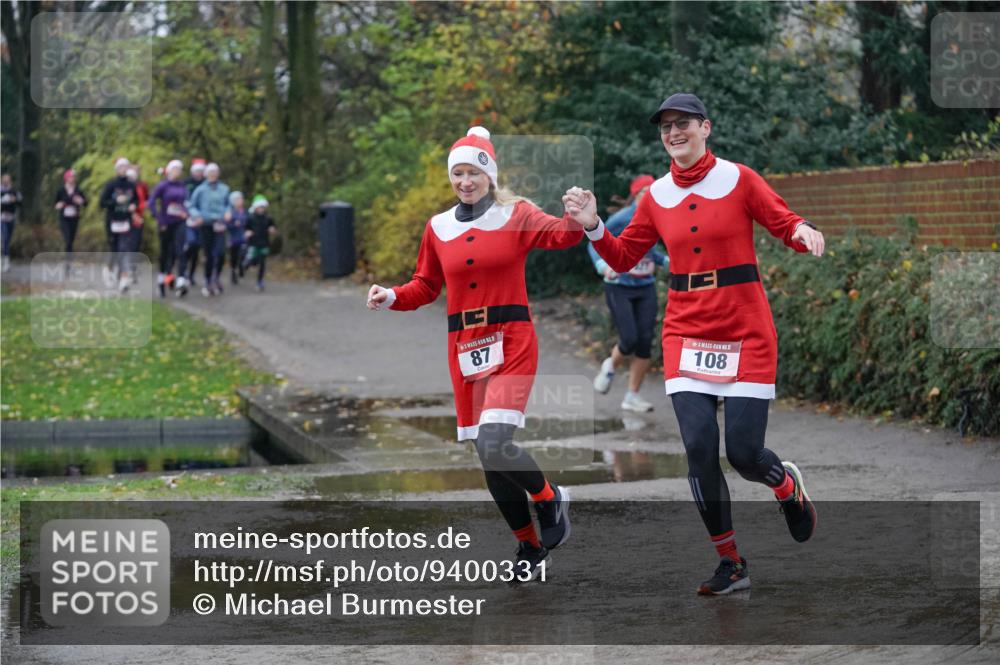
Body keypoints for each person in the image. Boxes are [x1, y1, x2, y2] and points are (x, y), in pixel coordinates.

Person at [565, 93, 824, 595]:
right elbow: (623, 257)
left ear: (706, 127)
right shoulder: (655, 197)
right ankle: (731, 563)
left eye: (683, 123)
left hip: (745, 330)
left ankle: (786, 486)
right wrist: (593, 225)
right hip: (686, 332)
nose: (673, 132)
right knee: (700, 449)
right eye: (665, 126)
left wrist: (803, 231)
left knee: (744, 454)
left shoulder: (739, 178)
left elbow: (783, 220)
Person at [366, 127, 581, 581]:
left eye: (474, 173)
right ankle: (529, 547)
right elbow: (425, 285)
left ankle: (549, 498)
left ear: (490, 175)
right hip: (465, 347)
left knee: (494, 442)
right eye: (458, 173)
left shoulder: (515, 213)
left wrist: (578, 215)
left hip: (512, 338)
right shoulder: (438, 227)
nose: (465, 181)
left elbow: (562, 236)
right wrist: (391, 296)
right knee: (489, 457)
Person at [589, 174, 668, 413]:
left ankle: (632, 396)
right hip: (619, 286)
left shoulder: (657, 215)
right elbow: (594, 241)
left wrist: (668, 261)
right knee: (630, 339)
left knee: (645, 342)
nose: (649, 196)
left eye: (653, 191)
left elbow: (649, 251)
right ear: (635, 195)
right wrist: (602, 266)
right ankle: (610, 366)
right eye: (645, 192)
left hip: (645, 285)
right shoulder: (623, 217)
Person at [187, 162, 230, 297]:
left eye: (215, 172)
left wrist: (228, 212)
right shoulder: (200, 189)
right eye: (210, 172)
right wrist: (197, 216)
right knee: (208, 254)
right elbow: (191, 205)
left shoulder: (224, 189)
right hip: (205, 225)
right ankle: (208, 280)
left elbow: (228, 204)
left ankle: (216, 277)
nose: (213, 175)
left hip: (220, 224)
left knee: (221, 253)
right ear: (206, 174)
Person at [149, 160, 188, 298]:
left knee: (181, 250)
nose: (177, 172)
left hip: (180, 223)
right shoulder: (163, 186)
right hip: (165, 224)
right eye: (175, 169)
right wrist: (159, 219)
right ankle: (162, 279)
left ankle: (181, 280)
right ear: (169, 171)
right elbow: (151, 202)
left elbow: (186, 203)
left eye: (179, 169)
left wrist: (186, 212)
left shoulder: (182, 186)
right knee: (165, 253)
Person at [98, 157, 138, 292]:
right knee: (114, 250)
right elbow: (102, 203)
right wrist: (116, 201)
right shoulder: (111, 185)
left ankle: (123, 279)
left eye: (126, 167)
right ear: (117, 169)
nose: (124, 169)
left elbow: (136, 201)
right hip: (112, 221)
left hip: (126, 221)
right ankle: (109, 268)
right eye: (121, 167)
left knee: (124, 249)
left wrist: (133, 206)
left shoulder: (131, 185)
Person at [181, 159, 206, 288]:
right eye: (197, 170)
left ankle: (191, 275)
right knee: (189, 244)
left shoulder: (206, 184)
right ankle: (183, 271)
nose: (199, 173)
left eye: (201, 170)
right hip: (188, 218)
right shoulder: (186, 183)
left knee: (197, 247)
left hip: (202, 219)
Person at [242, 195, 276, 292]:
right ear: (255, 207)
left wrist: (272, 230)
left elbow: (273, 227)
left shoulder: (268, 218)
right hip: (253, 243)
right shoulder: (250, 218)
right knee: (252, 261)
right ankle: (246, 264)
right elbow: (246, 228)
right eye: (259, 207)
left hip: (264, 243)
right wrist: (247, 233)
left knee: (262, 262)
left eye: (263, 207)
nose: (261, 209)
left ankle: (260, 281)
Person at [54, 169, 87, 265]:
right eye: (71, 177)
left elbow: (85, 202)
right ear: (66, 178)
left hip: (74, 218)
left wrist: (81, 201)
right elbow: (55, 203)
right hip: (64, 218)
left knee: (71, 240)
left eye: (74, 177)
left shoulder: (78, 190)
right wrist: (59, 205)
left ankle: (69, 260)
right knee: (67, 239)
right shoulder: (61, 190)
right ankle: (68, 262)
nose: (73, 179)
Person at [126, 165, 148, 284]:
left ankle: (132, 269)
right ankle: (124, 269)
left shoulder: (142, 186)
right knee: (125, 244)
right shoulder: (123, 186)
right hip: (125, 218)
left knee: (135, 244)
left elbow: (146, 199)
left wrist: (143, 207)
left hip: (138, 218)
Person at [224, 191, 248, 285]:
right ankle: (233, 272)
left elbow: (249, 223)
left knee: (243, 254)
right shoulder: (230, 212)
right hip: (233, 239)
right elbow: (226, 225)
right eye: (238, 199)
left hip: (243, 238)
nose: (241, 201)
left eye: (241, 199)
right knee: (234, 257)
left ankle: (241, 267)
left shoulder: (245, 212)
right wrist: (234, 224)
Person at [0, 173, 22, 273]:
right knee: (4, 238)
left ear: (10, 181)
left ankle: (6, 262)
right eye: (4, 179)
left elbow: (20, 202)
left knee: (7, 240)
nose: (6, 181)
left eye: (7, 179)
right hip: (1, 218)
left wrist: (15, 200)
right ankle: (3, 262)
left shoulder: (14, 191)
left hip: (11, 218)